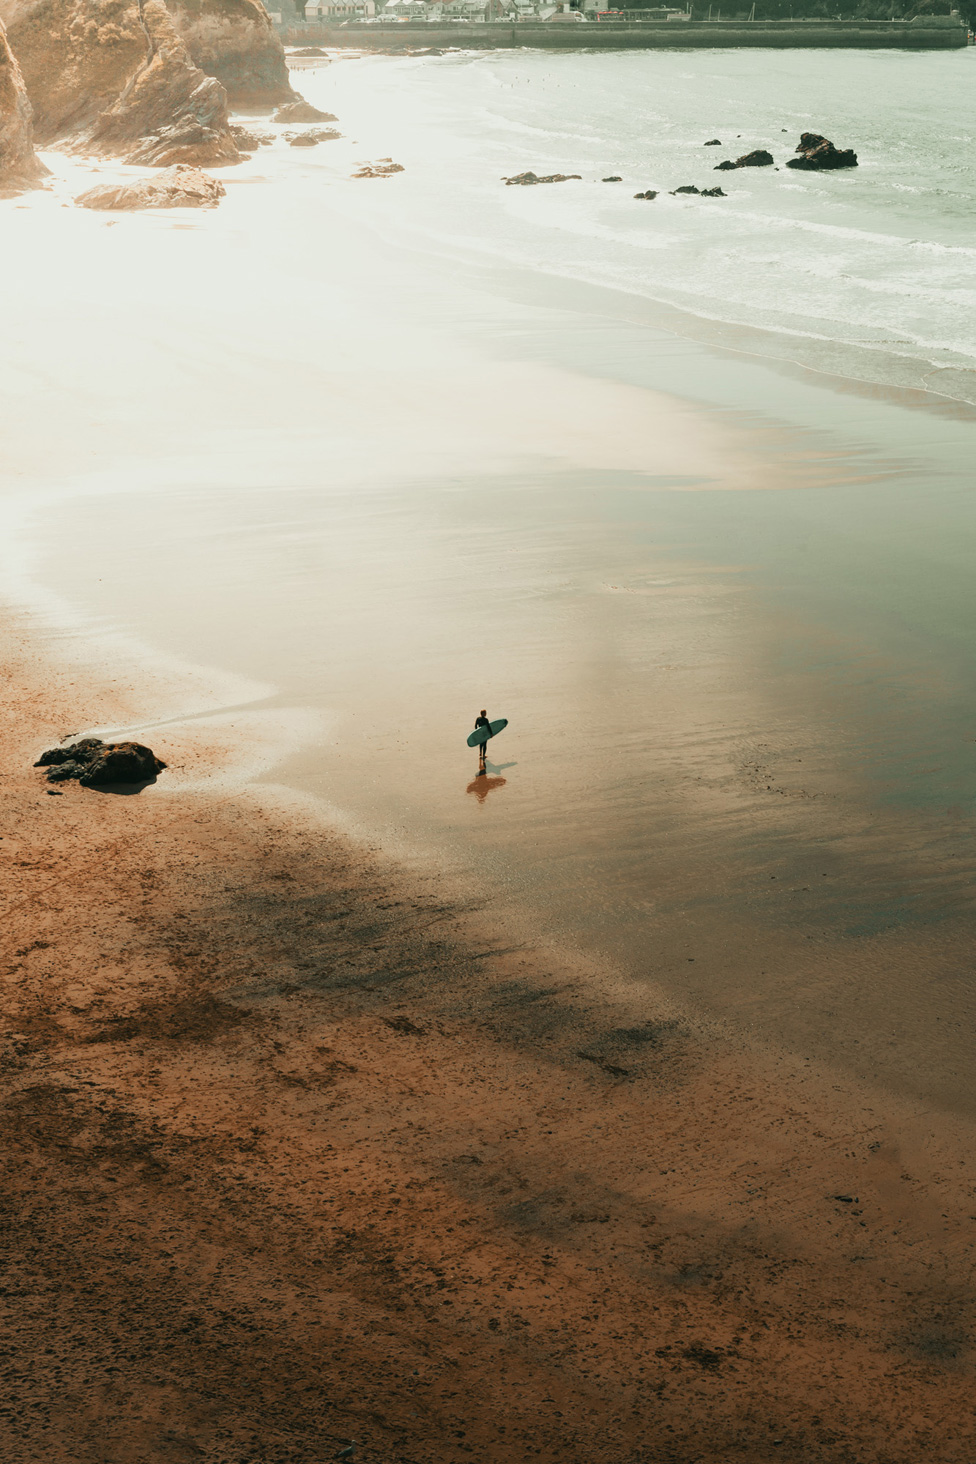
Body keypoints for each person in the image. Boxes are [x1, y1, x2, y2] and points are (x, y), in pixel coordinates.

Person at [473, 709, 491, 775]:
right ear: (483, 714)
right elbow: (488, 727)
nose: (486, 713)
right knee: (485, 744)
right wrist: (491, 733)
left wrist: (476, 731)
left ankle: (480, 753)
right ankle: (483, 755)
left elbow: (475, 725)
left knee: (481, 743)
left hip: (480, 733)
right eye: (485, 713)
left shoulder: (478, 719)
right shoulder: (486, 720)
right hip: (484, 733)